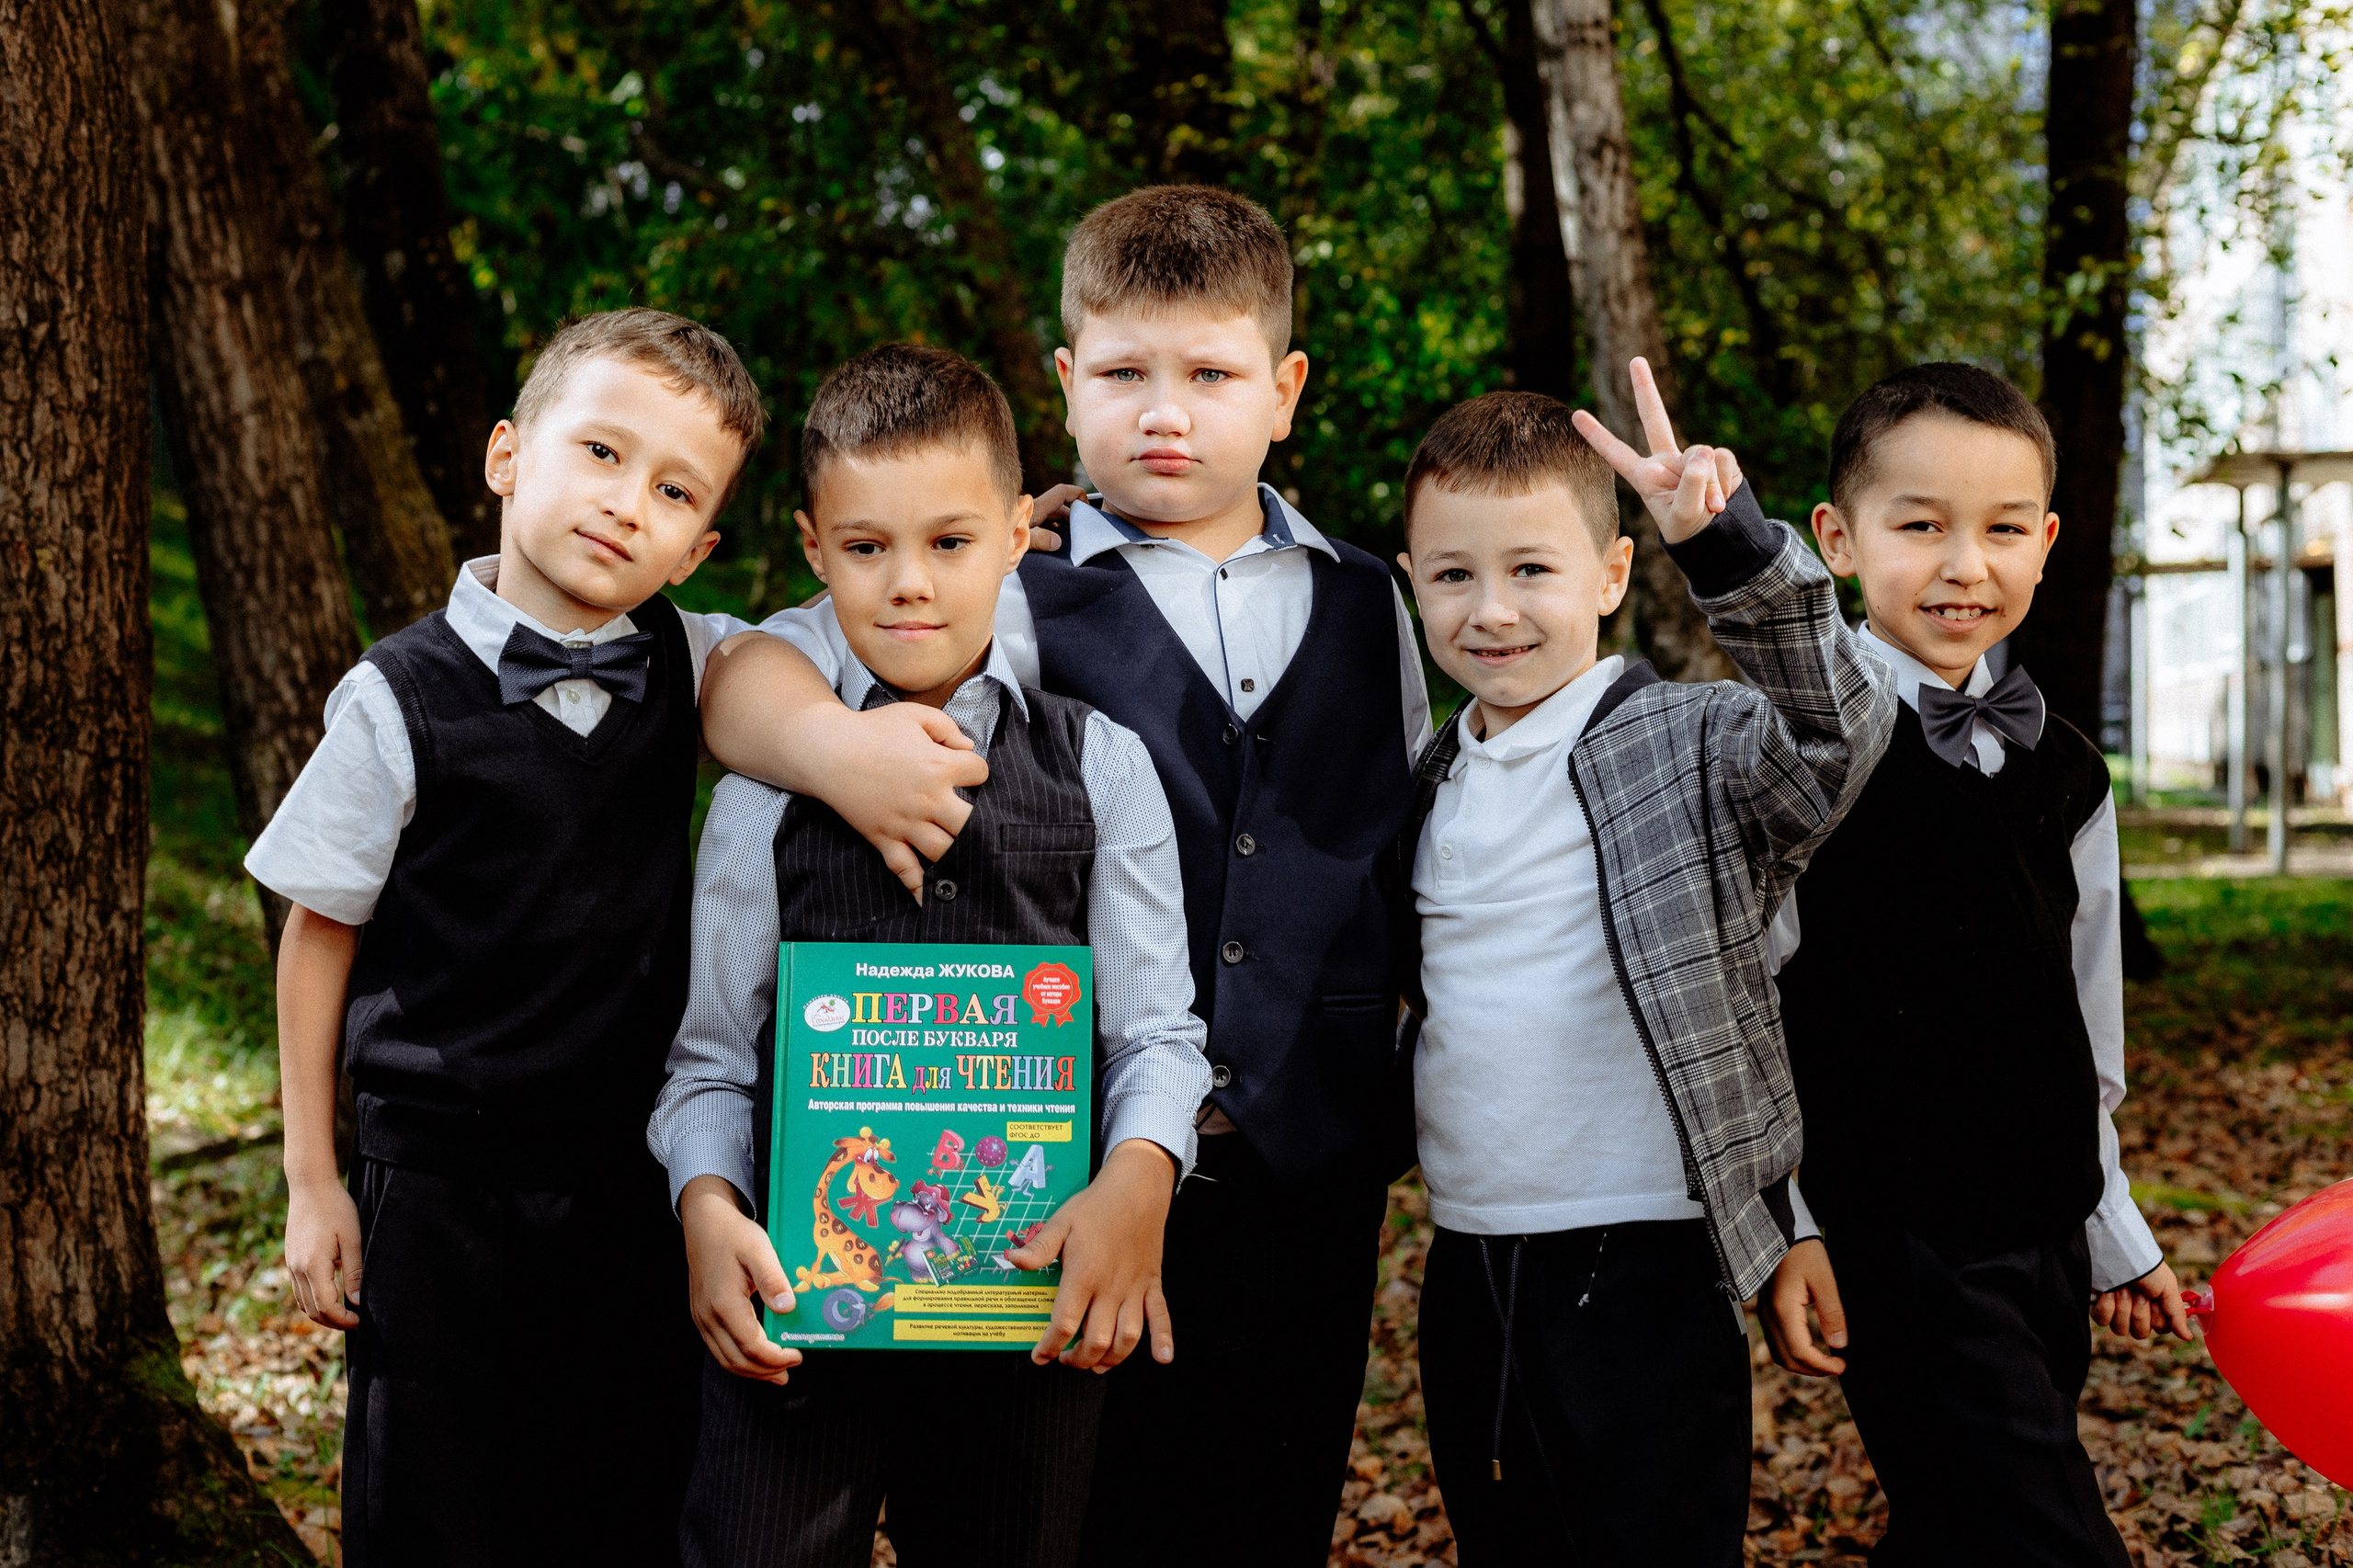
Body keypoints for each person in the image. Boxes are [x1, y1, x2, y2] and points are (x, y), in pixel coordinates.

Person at [696, 186, 1433, 1564]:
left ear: (1283, 392)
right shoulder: (1001, 583)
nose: (1167, 411)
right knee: (1077, 1517)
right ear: (1065, 383)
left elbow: (1399, 831)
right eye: (1124, 375)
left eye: (1211, 375)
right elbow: (738, 672)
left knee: (1268, 1504)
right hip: (1061, 1162)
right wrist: (830, 751)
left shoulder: (1370, 596)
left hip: (1307, 1160)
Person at [649, 342, 1211, 1568]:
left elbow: (1158, 1033)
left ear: (1019, 532)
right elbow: (707, 1059)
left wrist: (1142, 1176)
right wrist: (704, 1201)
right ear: (812, 547)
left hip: (1026, 1310)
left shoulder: (1100, 765)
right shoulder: (766, 786)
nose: (909, 584)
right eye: (866, 547)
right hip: (797, 1314)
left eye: (950, 542)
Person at [250, 308, 767, 1566]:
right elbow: (318, 936)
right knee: (435, 1506)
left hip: (627, 1177)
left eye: (672, 489)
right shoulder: (397, 694)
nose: (625, 502)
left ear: (697, 548)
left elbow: (835, 646)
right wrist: (314, 1178)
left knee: (620, 1492)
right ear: (506, 457)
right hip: (437, 1183)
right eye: (600, 452)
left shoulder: (690, 659)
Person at [1392, 378, 1896, 1565]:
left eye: (1533, 569)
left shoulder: (1692, 741)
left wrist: (1728, 551)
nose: (1493, 609)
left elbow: (1844, 733)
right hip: (1472, 1263)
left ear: (1613, 575)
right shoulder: (1424, 782)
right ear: (1412, 584)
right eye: (1454, 575)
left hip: (1648, 1262)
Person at [1757, 363, 2196, 1567]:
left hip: (2044, 1231)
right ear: (1837, 540)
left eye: (2004, 528)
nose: (1966, 563)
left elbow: (2082, 1032)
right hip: (1896, 1234)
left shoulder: (2068, 768)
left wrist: (2111, 1228)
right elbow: (1748, 1005)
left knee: (1966, 1526)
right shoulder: (1798, 754)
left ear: (2048, 542)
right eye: (1921, 525)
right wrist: (1783, 1223)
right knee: (2046, 1536)